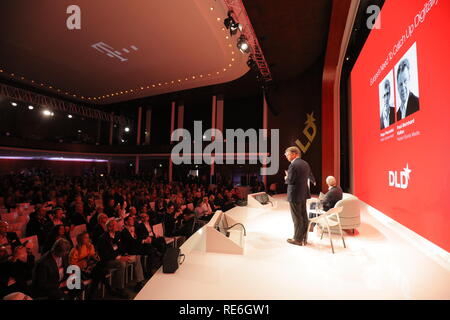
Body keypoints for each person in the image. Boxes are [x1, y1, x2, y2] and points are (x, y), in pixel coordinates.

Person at [284, 146, 315, 246]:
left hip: (294, 194)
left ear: (294, 154)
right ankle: (304, 237)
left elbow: (291, 181)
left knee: (297, 217)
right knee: (303, 216)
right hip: (303, 193)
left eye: (288, 154)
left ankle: (297, 239)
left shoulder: (293, 165)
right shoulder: (305, 163)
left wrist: (286, 177)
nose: (287, 156)